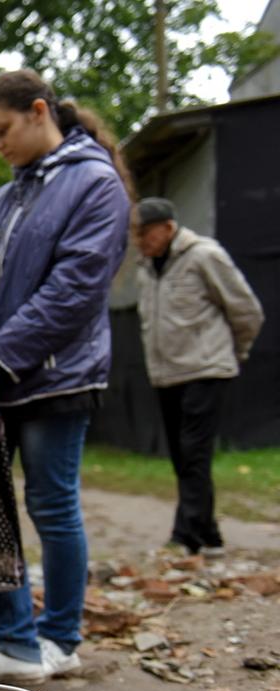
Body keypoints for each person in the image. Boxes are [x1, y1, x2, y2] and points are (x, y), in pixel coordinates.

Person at [0, 70, 132, 686]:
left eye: (2, 131)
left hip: (56, 378)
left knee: (51, 504)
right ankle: (16, 643)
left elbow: (74, 290)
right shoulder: (1, 200)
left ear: (39, 110)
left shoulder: (96, 185)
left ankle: (61, 640)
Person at [132, 197, 264, 558]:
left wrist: (231, 355)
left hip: (205, 370)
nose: (139, 240)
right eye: (135, 233)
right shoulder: (146, 269)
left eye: (145, 232)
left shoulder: (205, 256)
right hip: (166, 374)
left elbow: (247, 311)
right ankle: (208, 533)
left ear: (168, 227)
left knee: (194, 452)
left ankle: (185, 536)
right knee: (181, 456)